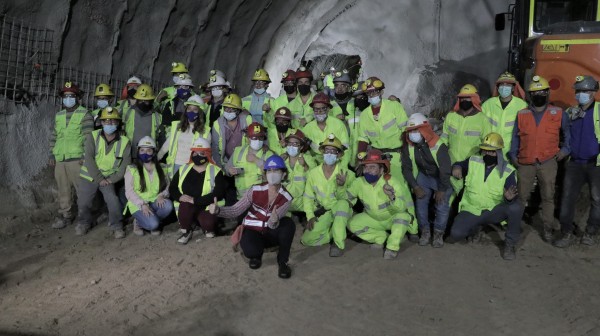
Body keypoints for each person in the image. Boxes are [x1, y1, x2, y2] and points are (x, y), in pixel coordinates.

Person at [208, 155, 295, 279]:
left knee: (288, 224)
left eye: (276, 170)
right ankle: (256, 256)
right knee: (251, 251)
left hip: (271, 231)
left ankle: (283, 262)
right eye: (269, 171)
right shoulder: (255, 189)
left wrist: (274, 220)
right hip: (253, 230)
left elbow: (272, 225)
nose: (272, 174)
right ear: (265, 174)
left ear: (284, 175)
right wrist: (218, 210)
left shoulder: (287, 198)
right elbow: (235, 210)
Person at [509, 75, 570, 242]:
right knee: (520, 197)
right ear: (529, 95)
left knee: (548, 196)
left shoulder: (558, 113)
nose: (539, 95)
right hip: (526, 161)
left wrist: (564, 150)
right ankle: (515, 226)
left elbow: (567, 135)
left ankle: (548, 228)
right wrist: (513, 155)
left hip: (548, 161)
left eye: (542, 92)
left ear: (548, 93)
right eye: (535, 92)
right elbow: (515, 137)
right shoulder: (522, 114)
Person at [449, 132, 523, 260]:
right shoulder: (473, 161)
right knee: (456, 234)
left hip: (493, 210)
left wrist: (508, 199)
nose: (488, 154)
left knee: (516, 207)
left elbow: (512, 195)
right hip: (472, 209)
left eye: (492, 152)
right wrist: (457, 167)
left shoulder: (508, 171)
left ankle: (509, 245)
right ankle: (475, 227)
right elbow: (460, 164)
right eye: (485, 151)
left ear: (499, 152)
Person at [554, 75, 600, 247]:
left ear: (593, 92)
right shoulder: (570, 112)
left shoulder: (599, 110)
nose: (580, 94)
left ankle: (590, 232)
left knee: (597, 200)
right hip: (575, 163)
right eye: (578, 91)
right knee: (567, 198)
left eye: (584, 91)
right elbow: (564, 134)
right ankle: (566, 233)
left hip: (596, 164)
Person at [348, 149, 417, 259]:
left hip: (391, 218)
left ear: (381, 170)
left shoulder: (392, 182)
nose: (368, 170)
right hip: (373, 218)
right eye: (366, 167)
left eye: (373, 167)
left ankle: (392, 247)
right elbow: (348, 199)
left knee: (403, 217)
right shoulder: (359, 182)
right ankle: (381, 238)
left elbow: (402, 208)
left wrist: (391, 197)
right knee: (352, 223)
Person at [77, 107, 131, 238]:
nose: (110, 124)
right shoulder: (92, 136)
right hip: (90, 176)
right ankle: (84, 223)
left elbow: (125, 166)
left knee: (113, 200)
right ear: (101, 122)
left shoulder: (125, 142)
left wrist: (111, 180)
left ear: (118, 123)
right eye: (106, 121)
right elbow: (89, 158)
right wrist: (99, 178)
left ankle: (117, 226)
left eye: (113, 121)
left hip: (109, 178)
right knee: (83, 202)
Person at [401, 113, 452, 247]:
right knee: (421, 203)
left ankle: (438, 234)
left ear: (425, 130)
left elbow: (445, 170)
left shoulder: (438, 145)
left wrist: (441, 189)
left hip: (440, 177)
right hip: (424, 176)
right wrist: (415, 186)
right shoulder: (409, 145)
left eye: (416, 130)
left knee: (441, 205)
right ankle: (425, 231)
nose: (413, 134)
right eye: (411, 131)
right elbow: (406, 168)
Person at [49, 82, 94, 229]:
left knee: (82, 189)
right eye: (65, 96)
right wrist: (51, 154)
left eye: (71, 96)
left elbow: (89, 138)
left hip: (77, 160)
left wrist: (85, 156)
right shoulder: (59, 115)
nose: (68, 98)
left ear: (78, 97)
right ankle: (65, 215)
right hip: (60, 159)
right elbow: (54, 137)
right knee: (63, 190)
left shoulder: (85, 114)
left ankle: (85, 217)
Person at [302, 134, 354, 257]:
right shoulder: (313, 174)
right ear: (322, 152)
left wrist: (341, 186)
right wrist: (310, 216)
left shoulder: (348, 174)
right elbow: (308, 197)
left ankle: (338, 244)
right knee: (306, 240)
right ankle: (337, 232)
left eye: (333, 151)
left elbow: (349, 200)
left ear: (339, 155)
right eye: (327, 151)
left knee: (342, 204)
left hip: (341, 210)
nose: (329, 154)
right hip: (324, 212)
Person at [169, 138, 227, 244]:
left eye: (201, 153)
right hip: (187, 207)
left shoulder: (216, 171)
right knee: (185, 205)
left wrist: (195, 200)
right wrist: (179, 197)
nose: (197, 155)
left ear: (207, 154)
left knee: (209, 226)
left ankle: (205, 226)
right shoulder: (183, 169)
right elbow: (172, 188)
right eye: (194, 152)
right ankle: (187, 231)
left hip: (206, 206)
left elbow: (218, 193)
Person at [356, 77, 409, 179]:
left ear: (381, 92)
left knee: (399, 185)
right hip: (377, 158)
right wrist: (360, 158)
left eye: (375, 92)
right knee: (380, 187)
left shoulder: (394, 107)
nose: (371, 95)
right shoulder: (364, 115)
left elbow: (405, 130)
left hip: (397, 156)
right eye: (369, 93)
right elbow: (363, 139)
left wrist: (406, 152)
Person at [124, 136, 173, 236]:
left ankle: (150, 221)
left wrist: (162, 195)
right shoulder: (132, 169)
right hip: (138, 205)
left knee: (168, 205)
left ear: (154, 152)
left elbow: (168, 185)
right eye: (142, 150)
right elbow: (129, 191)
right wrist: (142, 204)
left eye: (148, 150)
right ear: (138, 151)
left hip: (154, 201)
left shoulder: (162, 167)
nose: (145, 153)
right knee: (153, 225)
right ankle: (140, 222)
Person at [158, 94, 211, 178]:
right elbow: (168, 144)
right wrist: (157, 157)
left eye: (195, 109)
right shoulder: (176, 126)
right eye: (189, 109)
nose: (191, 111)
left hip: (192, 167)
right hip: (174, 165)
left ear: (200, 112)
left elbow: (206, 153)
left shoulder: (205, 131)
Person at [482, 72, 528, 157]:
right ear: (498, 87)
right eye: (502, 85)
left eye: (508, 85)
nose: (504, 87)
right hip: (490, 151)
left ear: (513, 88)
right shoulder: (488, 105)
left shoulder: (522, 106)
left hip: (511, 153)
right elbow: (480, 128)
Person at [226, 122, 274, 200]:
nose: (258, 141)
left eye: (260, 138)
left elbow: (272, 174)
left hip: (260, 199)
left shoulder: (269, 154)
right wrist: (229, 170)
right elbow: (227, 167)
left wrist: (256, 160)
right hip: (240, 198)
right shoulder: (238, 151)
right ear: (248, 138)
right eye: (254, 138)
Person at [302, 92, 350, 167]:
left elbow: (346, 150)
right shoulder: (307, 128)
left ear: (328, 109)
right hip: (315, 166)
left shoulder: (338, 124)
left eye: (322, 108)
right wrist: (313, 168)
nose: (319, 112)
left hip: (336, 165)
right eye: (316, 109)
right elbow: (304, 152)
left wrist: (342, 168)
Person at [211, 93, 253, 169]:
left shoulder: (247, 120)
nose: (228, 111)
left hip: (244, 161)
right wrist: (221, 167)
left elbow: (256, 136)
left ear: (238, 110)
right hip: (225, 162)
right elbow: (215, 147)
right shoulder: (217, 124)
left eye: (232, 108)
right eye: (226, 108)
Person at [122, 84, 162, 158]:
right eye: (140, 100)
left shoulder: (157, 116)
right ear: (136, 99)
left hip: (149, 155)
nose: (143, 103)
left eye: (146, 101)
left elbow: (161, 137)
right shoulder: (126, 113)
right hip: (129, 154)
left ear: (151, 101)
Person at [280, 129, 315, 213]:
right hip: (285, 206)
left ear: (301, 147)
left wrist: (305, 166)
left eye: (295, 144)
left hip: (304, 205)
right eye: (289, 143)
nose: (291, 146)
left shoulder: (308, 159)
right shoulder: (282, 159)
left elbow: (315, 181)